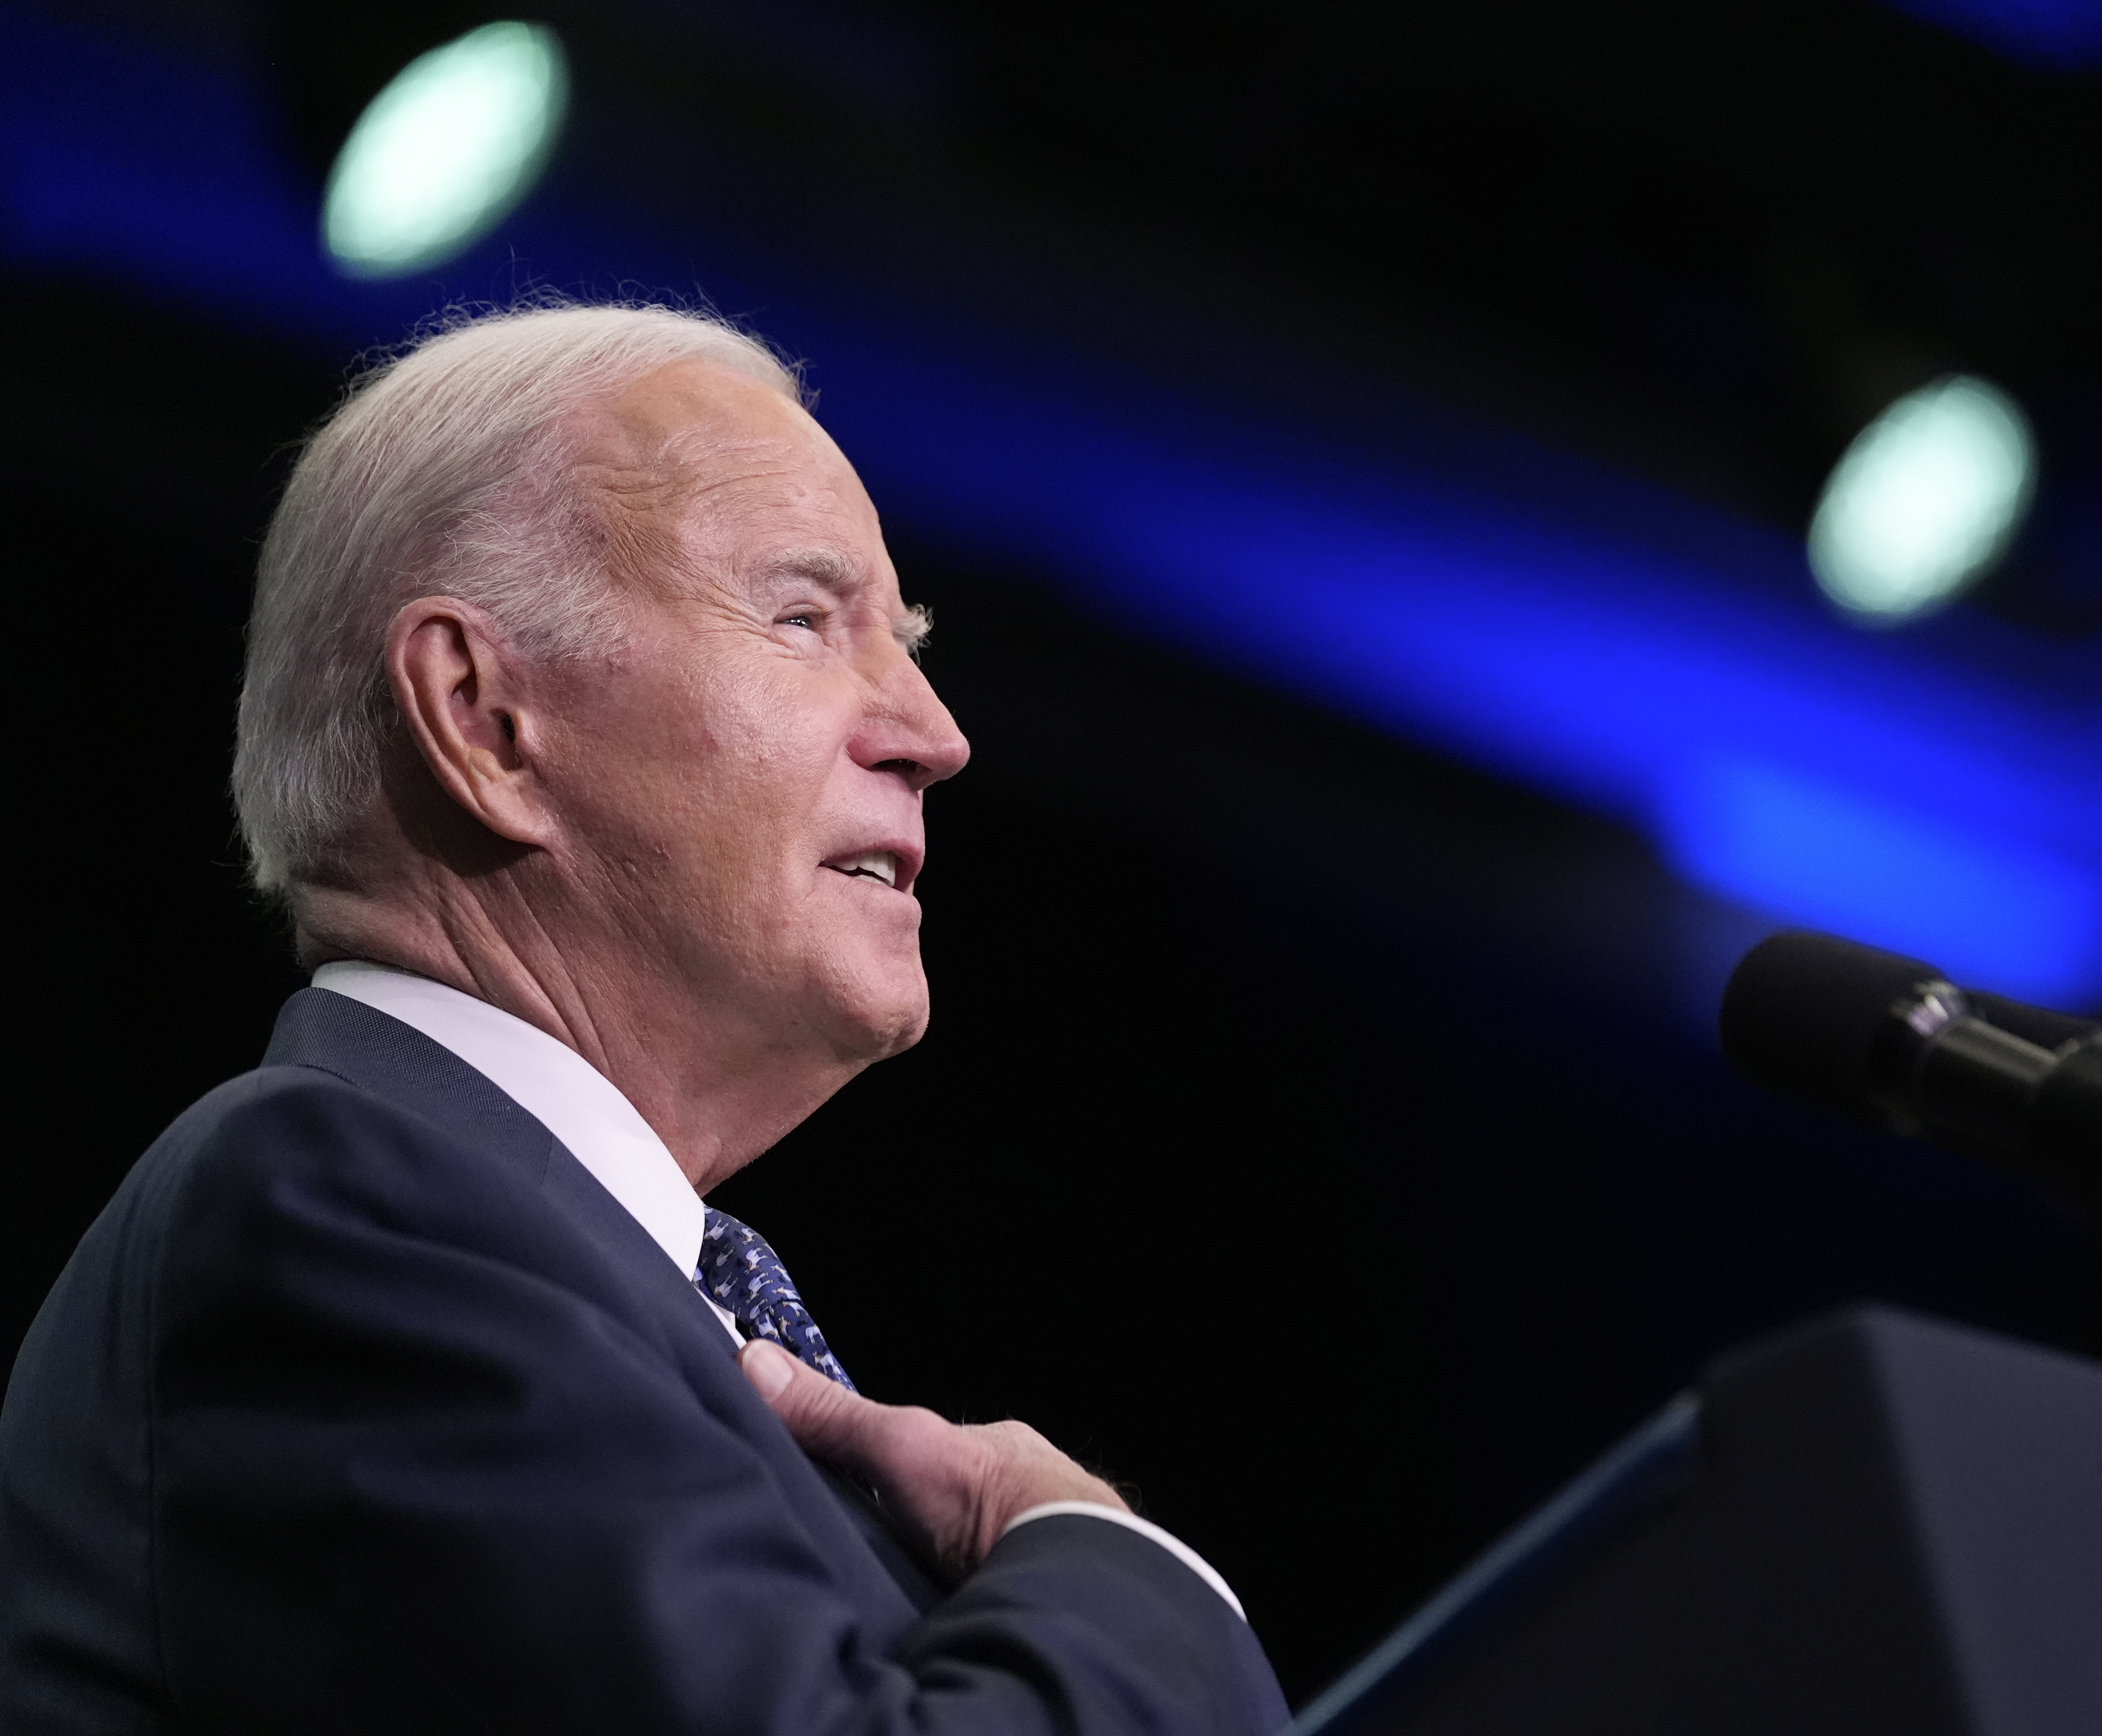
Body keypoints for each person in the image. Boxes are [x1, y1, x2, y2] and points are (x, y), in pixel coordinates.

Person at [0, 302, 1289, 1734]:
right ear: (484, 718)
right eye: (806, 619)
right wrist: (1106, 1557)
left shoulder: (564, 1272)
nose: (935, 733)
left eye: (905, 641)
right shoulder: (338, 1208)